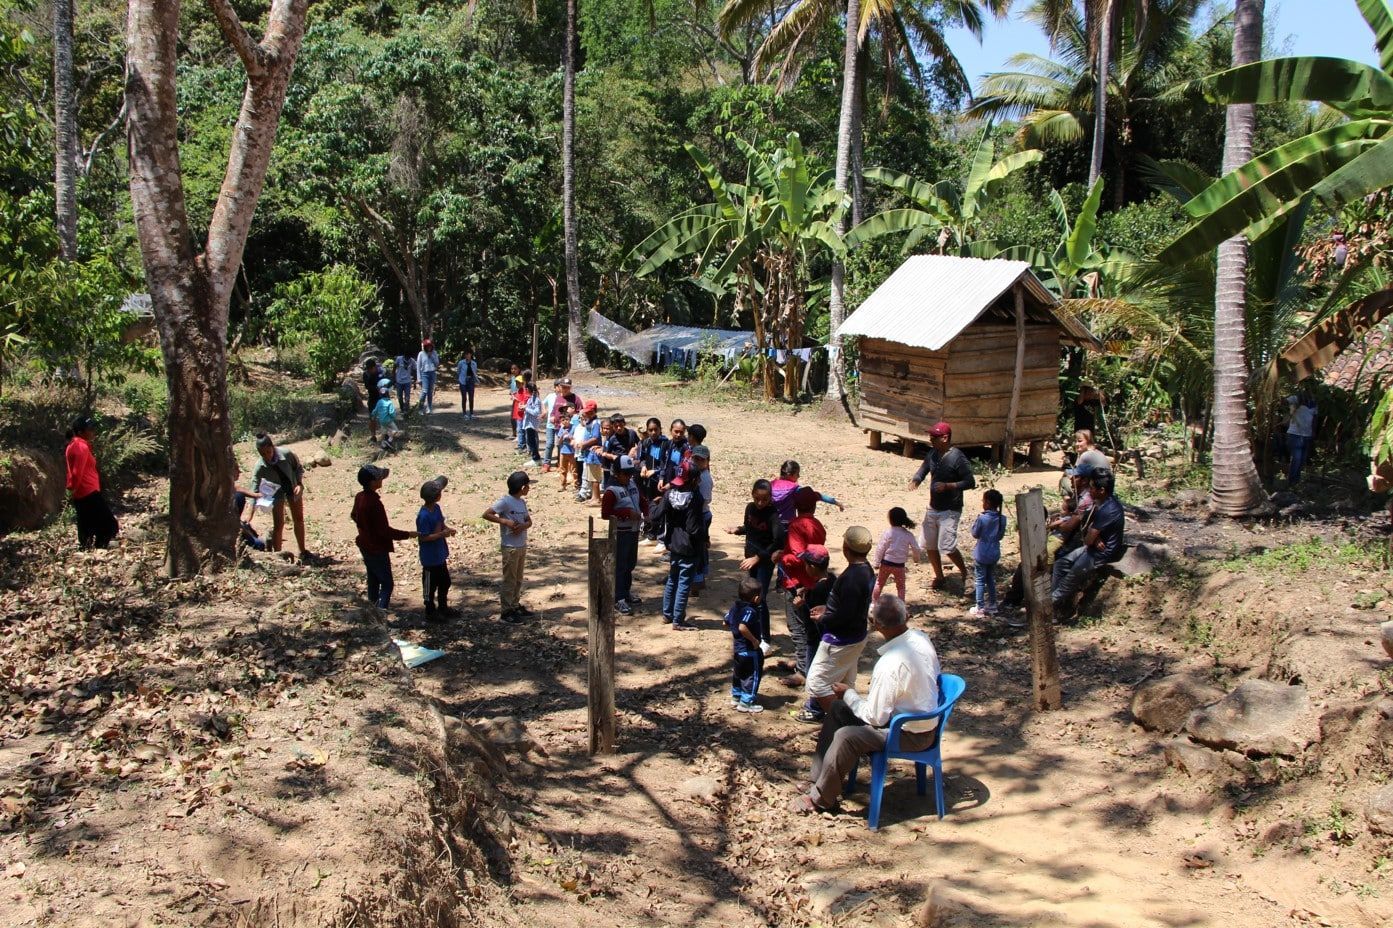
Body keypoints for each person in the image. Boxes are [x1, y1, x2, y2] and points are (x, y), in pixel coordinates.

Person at [790, 595, 941, 815]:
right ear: (906, 616)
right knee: (837, 709)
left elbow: (875, 718)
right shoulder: (920, 638)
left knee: (847, 736)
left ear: (877, 626)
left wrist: (849, 693)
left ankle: (821, 798)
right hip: (917, 719)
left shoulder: (890, 665)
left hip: (910, 734)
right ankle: (818, 779)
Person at [796, 525, 876, 724]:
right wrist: (828, 609)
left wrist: (824, 617)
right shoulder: (866, 570)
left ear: (846, 548)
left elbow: (845, 614)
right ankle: (851, 718)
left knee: (816, 683)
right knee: (844, 683)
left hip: (840, 639)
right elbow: (849, 607)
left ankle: (844, 722)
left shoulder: (852, 578)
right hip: (856, 635)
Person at [908, 422, 975, 591]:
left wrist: (948, 486)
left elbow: (970, 482)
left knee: (947, 546)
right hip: (933, 507)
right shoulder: (933, 453)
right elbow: (923, 469)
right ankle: (939, 577)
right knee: (930, 545)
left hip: (950, 509)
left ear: (945, 438)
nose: (931, 439)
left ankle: (966, 574)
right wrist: (916, 479)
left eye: (934, 437)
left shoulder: (957, 457)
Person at [1052, 469, 1125, 619]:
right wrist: (1094, 536)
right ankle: (1053, 603)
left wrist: (1093, 536)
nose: (1089, 490)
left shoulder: (1109, 509)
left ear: (1102, 490)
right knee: (1061, 564)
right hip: (1092, 547)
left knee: (1070, 578)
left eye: (1092, 488)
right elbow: (1090, 532)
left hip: (1100, 553)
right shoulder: (1101, 502)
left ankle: (1045, 607)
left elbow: (1088, 537)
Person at [778, 487, 827, 687]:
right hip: (812, 582)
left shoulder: (796, 525)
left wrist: (782, 557)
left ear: (796, 506)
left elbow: (799, 557)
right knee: (809, 626)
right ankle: (803, 661)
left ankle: (802, 671)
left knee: (797, 626)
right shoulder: (818, 525)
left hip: (796, 582)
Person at [350, 464, 417, 609]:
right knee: (387, 584)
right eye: (379, 478)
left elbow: (354, 515)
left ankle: (372, 611)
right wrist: (408, 534)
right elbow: (384, 531)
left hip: (365, 545)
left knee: (373, 579)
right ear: (373, 482)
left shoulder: (359, 497)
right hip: (377, 548)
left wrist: (365, 528)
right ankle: (381, 613)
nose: (382, 480)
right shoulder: (374, 503)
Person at [653, 468, 706, 631]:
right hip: (690, 546)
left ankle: (667, 614)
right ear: (695, 480)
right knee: (684, 583)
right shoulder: (695, 497)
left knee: (672, 580)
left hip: (673, 543)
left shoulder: (670, 494)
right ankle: (678, 620)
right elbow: (693, 527)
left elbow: (656, 515)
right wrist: (703, 537)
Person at [251, 432, 312, 562]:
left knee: (298, 519)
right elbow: (254, 490)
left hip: (292, 487)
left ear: (273, 447)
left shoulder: (286, 454)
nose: (267, 456)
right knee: (278, 524)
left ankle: (302, 551)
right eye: (263, 454)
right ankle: (278, 556)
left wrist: (299, 484)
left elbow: (298, 468)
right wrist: (249, 515)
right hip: (275, 492)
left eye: (269, 452)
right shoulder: (259, 466)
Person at [483, 471, 533, 623]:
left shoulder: (522, 503)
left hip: (521, 545)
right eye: (528, 486)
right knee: (509, 579)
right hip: (510, 546)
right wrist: (506, 522)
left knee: (518, 578)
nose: (529, 488)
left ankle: (515, 605)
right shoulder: (505, 501)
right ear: (522, 487)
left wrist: (522, 526)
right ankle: (506, 611)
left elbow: (529, 521)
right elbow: (487, 514)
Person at [728, 478, 785, 605]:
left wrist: (758, 558)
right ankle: (751, 623)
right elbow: (749, 528)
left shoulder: (772, 515)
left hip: (764, 560)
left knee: (759, 598)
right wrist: (737, 530)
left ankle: (762, 624)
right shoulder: (750, 508)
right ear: (752, 494)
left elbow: (778, 541)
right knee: (750, 594)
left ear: (770, 497)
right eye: (757, 499)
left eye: (764, 500)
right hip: (750, 558)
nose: (760, 503)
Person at [65, 416, 118, 549]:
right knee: (110, 525)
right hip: (87, 492)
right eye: (90, 429)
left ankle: (88, 550)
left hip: (83, 492)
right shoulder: (79, 447)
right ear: (81, 432)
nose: (93, 431)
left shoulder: (77, 445)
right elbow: (76, 473)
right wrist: (72, 491)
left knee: (86, 524)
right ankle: (100, 547)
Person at [601, 455, 643, 615]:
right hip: (621, 532)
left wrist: (645, 511)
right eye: (625, 474)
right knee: (620, 565)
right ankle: (618, 598)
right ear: (616, 473)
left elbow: (642, 500)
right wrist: (626, 513)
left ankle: (626, 592)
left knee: (630, 564)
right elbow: (606, 513)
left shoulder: (632, 484)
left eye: (630, 473)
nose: (629, 477)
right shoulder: (611, 491)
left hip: (633, 531)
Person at [417, 476, 458, 619]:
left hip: (439, 555)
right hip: (429, 559)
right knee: (429, 587)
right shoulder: (423, 516)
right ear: (437, 496)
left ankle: (443, 606)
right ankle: (430, 611)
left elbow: (441, 524)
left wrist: (447, 529)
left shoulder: (436, 508)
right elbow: (423, 537)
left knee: (445, 582)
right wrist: (442, 534)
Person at [726, 577, 769, 713]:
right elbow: (742, 627)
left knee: (739, 673)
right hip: (750, 650)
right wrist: (754, 641)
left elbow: (725, 621)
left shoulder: (734, 607)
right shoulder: (751, 611)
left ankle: (736, 697)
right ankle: (746, 703)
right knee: (752, 675)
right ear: (756, 598)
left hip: (738, 649)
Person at [871, 507, 922, 604]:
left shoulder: (888, 533)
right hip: (899, 565)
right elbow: (916, 548)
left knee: (879, 583)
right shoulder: (908, 534)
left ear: (890, 520)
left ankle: (873, 603)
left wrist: (877, 563)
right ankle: (901, 605)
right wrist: (916, 559)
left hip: (886, 563)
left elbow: (881, 548)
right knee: (901, 586)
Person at [771, 460, 843, 527]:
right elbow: (818, 496)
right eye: (797, 474)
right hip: (787, 525)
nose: (799, 476)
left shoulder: (770, 485)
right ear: (790, 475)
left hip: (770, 524)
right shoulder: (794, 489)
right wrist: (836, 502)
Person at [969, 490, 1007, 617]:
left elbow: (975, 533)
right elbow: (1000, 536)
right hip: (994, 552)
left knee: (980, 580)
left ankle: (980, 607)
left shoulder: (982, 518)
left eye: (983, 500)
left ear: (988, 502)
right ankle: (993, 604)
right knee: (991, 579)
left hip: (981, 553)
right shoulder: (1002, 519)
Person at [638, 417, 667, 545]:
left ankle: (660, 536)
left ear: (660, 429)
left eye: (656, 429)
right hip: (648, 481)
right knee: (650, 506)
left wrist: (655, 471)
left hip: (660, 481)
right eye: (651, 430)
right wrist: (643, 466)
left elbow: (667, 464)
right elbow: (642, 458)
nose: (653, 432)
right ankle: (652, 534)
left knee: (660, 508)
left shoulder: (666, 444)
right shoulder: (646, 443)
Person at [689, 444, 715, 590]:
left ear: (707, 461)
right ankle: (698, 578)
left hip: (701, 516)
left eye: (701, 460)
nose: (697, 462)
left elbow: (703, 500)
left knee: (698, 548)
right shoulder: (697, 474)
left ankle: (697, 579)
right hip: (700, 515)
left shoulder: (704, 478)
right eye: (695, 459)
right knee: (700, 547)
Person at [231, 460, 266, 551]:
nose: (239, 471)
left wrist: (256, 495)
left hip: (237, 524)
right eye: (236, 469)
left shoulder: (229, 488)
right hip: (232, 529)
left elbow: (236, 488)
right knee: (259, 544)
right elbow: (235, 523)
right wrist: (245, 531)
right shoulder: (235, 497)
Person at [600, 413, 640, 489]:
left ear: (624, 424)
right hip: (616, 469)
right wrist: (613, 457)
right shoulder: (612, 439)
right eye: (616, 426)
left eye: (621, 425)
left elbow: (640, 445)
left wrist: (635, 451)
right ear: (612, 427)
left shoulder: (632, 433)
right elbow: (605, 453)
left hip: (629, 465)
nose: (619, 428)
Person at [576, 401, 604, 504]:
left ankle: (595, 498)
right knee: (588, 475)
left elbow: (596, 438)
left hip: (593, 454)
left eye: (588, 412)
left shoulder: (596, 423)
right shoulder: (589, 421)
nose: (586, 414)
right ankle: (591, 494)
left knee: (594, 476)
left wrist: (584, 444)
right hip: (588, 454)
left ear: (594, 412)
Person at [1286, 392, 1317, 484]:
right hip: (1295, 434)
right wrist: (1298, 402)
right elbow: (1283, 402)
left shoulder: (1314, 403)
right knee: (1296, 458)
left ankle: (1297, 480)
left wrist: (1313, 432)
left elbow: (1315, 418)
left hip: (1307, 435)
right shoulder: (1296, 398)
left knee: (1302, 459)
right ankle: (1291, 481)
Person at [372, 379, 404, 452]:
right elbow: (391, 412)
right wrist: (393, 417)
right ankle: (389, 441)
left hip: (381, 421)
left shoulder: (379, 401)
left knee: (383, 432)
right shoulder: (389, 402)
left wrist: (373, 416)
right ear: (388, 394)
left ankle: (383, 446)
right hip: (388, 420)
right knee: (395, 431)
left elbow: (375, 410)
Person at [521, 381, 544, 467]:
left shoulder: (536, 399)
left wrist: (525, 408)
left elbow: (536, 412)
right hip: (528, 423)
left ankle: (536, 459)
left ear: (527, 389)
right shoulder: (531, 399)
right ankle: (535, 458)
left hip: (532, 424)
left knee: (532, 442)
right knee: (530, 441)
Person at [556, 404, 576, 491]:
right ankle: (562, 484)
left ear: (570, 420)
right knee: (562, 469)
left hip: (571, 452)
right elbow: (559, 442)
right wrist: (562, 436)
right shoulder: (561, 429)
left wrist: (570, 436)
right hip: (563, 452)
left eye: (567, 420)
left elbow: (575, 439)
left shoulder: (573, 428)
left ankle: (576, 485)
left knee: (574, 469)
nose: (565, 422)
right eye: (563, 420)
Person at [416, 338, 440, 413]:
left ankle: (429, 408)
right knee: (424, 391)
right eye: (427, 346)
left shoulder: (434, 353)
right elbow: (418, 366)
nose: (429, 347)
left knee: (430, 391)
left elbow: (437, 363)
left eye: (430, 346)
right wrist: (419, 378)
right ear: (425, 347)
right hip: (424, 374)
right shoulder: (421, 354)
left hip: (432, 373)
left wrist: (431, 356)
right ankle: (420, 408)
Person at [363, 358, 381, 442]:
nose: (370, 370)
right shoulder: (366, 374)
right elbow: (367, 386)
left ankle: (387, 435)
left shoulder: (381, 372)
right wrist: (377, 388)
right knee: (372, 418)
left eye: (371, 368)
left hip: (382, 398)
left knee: (385, 417)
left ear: (375, 367)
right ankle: (373, 435)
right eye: (368, 369)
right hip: (372, 398)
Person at [456, 350, 478, 421]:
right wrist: (459, 379)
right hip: (463, 381)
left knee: (471, 398)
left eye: (469, 354)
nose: (467, 356)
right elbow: (458, 371)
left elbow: (475, 372)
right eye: (466, 354)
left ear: (471, 355)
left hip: (471, 381)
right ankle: (464, 413)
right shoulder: (461, 363)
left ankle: (471, 413)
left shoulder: (474, 363)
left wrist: (475, 380)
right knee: (464, 398)